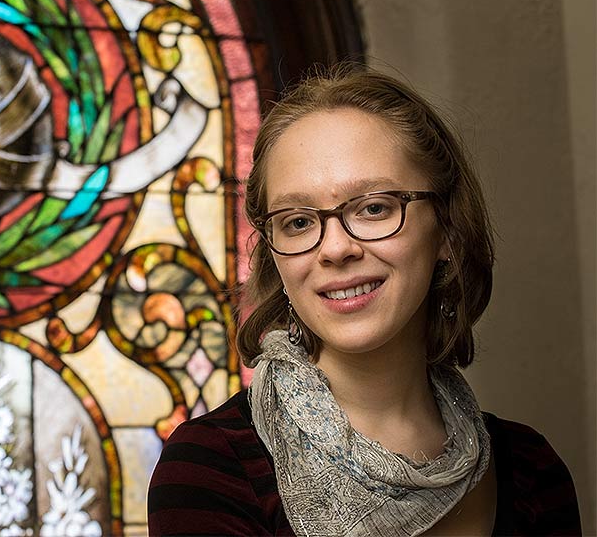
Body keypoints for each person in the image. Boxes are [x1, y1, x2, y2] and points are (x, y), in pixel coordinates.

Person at [147, 65, 580, 536]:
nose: (335, 248)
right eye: (297, 221)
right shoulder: (209, 470)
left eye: (374, 207)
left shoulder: (533, 471)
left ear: (447, 233)